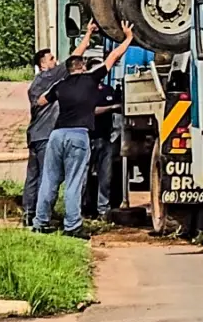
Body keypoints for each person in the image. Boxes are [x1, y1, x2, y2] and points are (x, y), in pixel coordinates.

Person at [32, 22, 134, 237]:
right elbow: (113, 56)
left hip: (57, 135)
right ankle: (72, 226)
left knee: (49, 180)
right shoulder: (91, 80)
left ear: (69, 69)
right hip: (78, 135)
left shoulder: (60, 85)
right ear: (83, 67)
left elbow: (41, 101)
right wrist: (128, 38)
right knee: (74, 181)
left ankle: (40, 222)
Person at [22, 21, 99, 227]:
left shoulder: (35, 84)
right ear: (42, 65)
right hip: (47, 134)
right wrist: (88, 33)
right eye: (51, 59)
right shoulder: (50, 76)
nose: (55, 62)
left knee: (33, 176)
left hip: (35, 135)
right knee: (48, 178)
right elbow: (75, 57)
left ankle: (29, 214)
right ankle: (44, 217)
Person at [86, 57, 122, 219]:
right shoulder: (85, 91)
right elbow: (91, 110)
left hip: (106, 139)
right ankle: (84, 208)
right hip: (88, 138)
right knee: (84, 176)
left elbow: (119, 107)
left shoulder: (108, 90)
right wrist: (111, 107)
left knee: (105, 176)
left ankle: (103, 209)